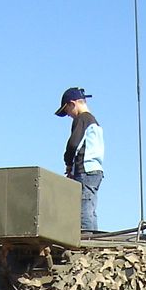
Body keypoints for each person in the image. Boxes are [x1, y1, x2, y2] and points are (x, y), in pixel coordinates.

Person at [55, 87, 105, 232]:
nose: (69, 115)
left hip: (85, 170)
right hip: (96, 171)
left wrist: (68, 164)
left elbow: (73, 144)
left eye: (67, 111)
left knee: (83, 207)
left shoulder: (82, 119)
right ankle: (94, 238)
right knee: (90, 207)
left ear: (73, 104)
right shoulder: (94, 121)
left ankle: (86, 241)